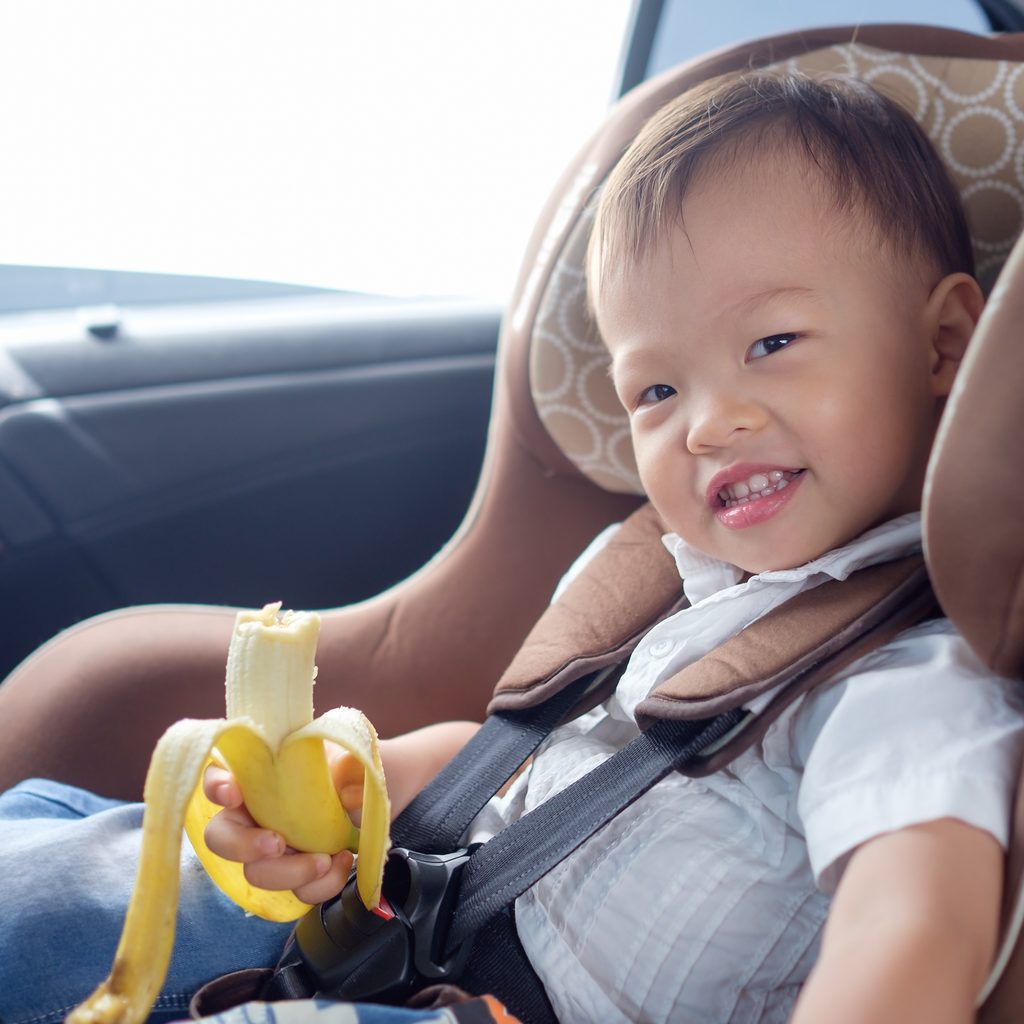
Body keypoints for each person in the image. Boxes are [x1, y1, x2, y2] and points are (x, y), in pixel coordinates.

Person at [1, 70, 1021, 1024]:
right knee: (44, 879)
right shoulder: (657, 582)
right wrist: (358, 792)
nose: (706, 423)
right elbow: (519, 770)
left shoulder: (907, 684)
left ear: (941, 346)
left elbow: (911, 932)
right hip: (389, 909)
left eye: (771, 344)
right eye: (655, 390)